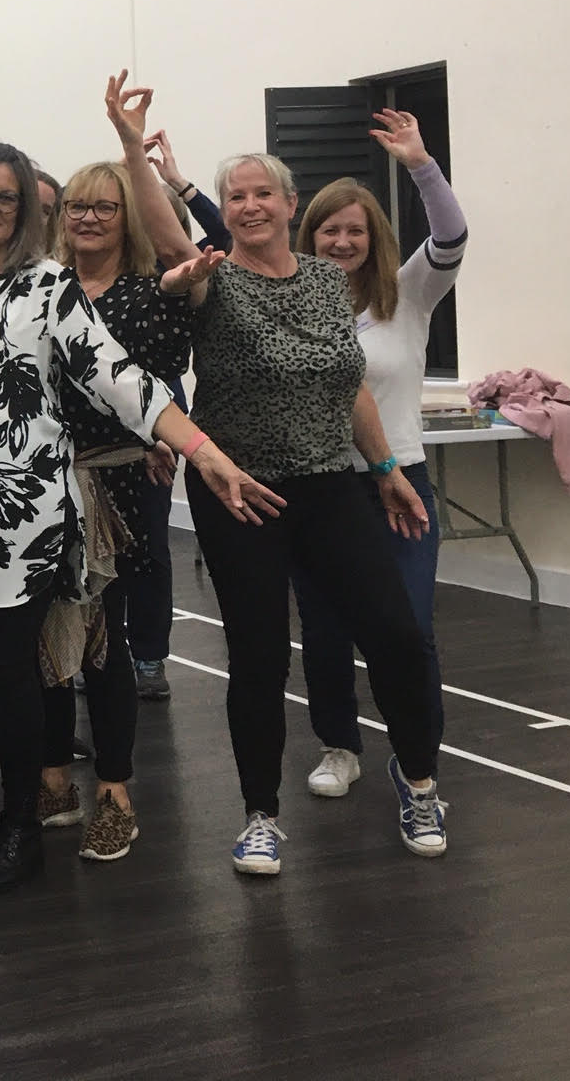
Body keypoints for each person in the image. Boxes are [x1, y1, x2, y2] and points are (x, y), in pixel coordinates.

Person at [0, 141, 274, 893]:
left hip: (19, 520)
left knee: (12, 677)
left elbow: (121, 380)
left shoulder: (48, 286)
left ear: (25, 208)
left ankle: (21, 821)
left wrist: (205, 452)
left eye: (5, 197)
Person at [108, 72, 448, 874]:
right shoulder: (212, 278)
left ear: (291, 206)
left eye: (263, 194)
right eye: (236, 197)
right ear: (223, 212)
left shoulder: (332, 283)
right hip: (241, 490)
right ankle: (261, 812)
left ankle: (420, 779)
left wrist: (387, 466)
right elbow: (163, 232)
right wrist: (132, 149)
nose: (250, 205)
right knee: (260, 656)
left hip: (333, 481)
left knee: (397, 636)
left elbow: (350, 383)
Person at [294, 110, 467, 798]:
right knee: (327, 628)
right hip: (321, 487)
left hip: (400, 482)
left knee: (409, 629)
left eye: (354, 230)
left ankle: (418, 760)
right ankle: (340, 745)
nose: (342, 241)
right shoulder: (293, 301)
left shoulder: (411, 294)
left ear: (374, 239)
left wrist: (421, 163)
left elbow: (451, 235)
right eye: (329, 229)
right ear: (311, 237)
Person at [37, 160, 204, 859]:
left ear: (125, 217)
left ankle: (114, 789)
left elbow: (157, 383)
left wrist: (149, 441)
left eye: (104, 207)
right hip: (41, 484)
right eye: (77, 205)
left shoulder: (148, 294)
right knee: (41, 634)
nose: (87, 218)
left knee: (106, 643)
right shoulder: (38, 290)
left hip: (120, 483)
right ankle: (50, 777)